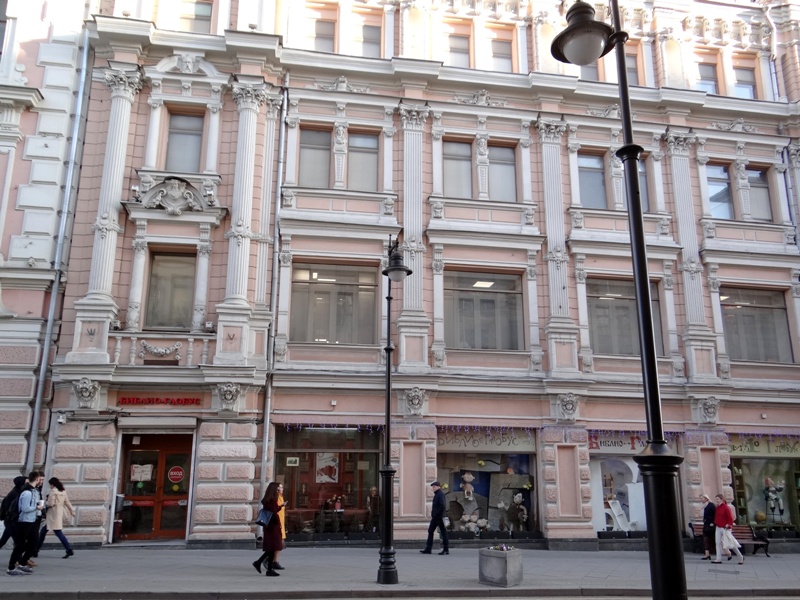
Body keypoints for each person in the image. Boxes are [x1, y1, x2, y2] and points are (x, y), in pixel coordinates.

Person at [7, 471, 44, 576]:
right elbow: (25, 508)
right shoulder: (27, 493)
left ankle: (23, 563)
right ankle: (11, 568)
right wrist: (37, 507)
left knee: (33, 542)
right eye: (40, 479)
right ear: (36, 479)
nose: (41, 481)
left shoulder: (35, 491)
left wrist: (40, 510)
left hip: (32, 520)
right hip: (24, 521)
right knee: (20, 545)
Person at [252, 482, 285, 577]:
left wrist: (280, 506)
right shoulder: (271, 500)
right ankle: (261, 564)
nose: (279, 490)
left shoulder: (268, 500)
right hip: (273, 528)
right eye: (278, 489)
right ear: (274, 490)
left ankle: (266, 567)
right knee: (274, 547)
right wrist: (278, 522)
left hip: (270, 527)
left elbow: (272, 511)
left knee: (272, 548)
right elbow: (273, 514)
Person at [37, 477, 75, 558]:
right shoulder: (63, 491)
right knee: (44, 531)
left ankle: (69, 549)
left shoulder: (53, 491)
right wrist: (72, 510)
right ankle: (36, 550)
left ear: (52, 484)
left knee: (57, 532)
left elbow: (51, 504)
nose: (50, 486)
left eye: (50, 485)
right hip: (59, 513)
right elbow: (67, 502)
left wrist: (45, 503)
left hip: (52, 514)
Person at [712, 493, 743, 565]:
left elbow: (731, 518)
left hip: (725, 528)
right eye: (716, 499)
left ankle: (740, 556)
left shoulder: (726, 507)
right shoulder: (718, 507)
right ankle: (718, 558)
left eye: (718, 499)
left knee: (731, 543)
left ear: (722, 499)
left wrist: (728, 524)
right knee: (718, 543)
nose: (716, 500)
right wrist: (715, 522)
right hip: (718, 527)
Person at [420, 481, 449, 556]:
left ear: (438, 487)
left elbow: (442, 506)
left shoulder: (440, 494)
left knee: (443, 532)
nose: (433, 488)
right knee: (430, 531)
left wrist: (437, 514)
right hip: (436, 517)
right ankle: (428, 548)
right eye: (433, 487)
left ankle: (446, 549)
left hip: (440, 517)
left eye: (434, 487)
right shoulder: (437, 494)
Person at [0, 476, 26, 550]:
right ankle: (19, 556)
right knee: (18, 541)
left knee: (3, 540)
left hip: (11, 520)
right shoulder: (14, 494)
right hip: (11, 520)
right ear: (21, 483)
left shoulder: (18, 492)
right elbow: (10, 508)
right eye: (25, 482)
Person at [271, 483, 287, 570]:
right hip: (276, 523)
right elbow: (275, 509)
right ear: (276, 489)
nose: (282, 489)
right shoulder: (275, 497)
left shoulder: (280, 497)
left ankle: (275, 561)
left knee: (279, 544)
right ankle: (273, 561)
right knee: (278, 544)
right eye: (280, 487)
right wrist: (281, 506)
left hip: (280, 523)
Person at [699, 494, 715, 560]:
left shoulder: (711, 505)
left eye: (702, 498)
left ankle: (726, 553)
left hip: (711, 525)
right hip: (706, 525)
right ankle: (707, 554)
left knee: (711, 539)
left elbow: (715, 514)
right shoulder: (703, 506)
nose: (701, 500)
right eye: (700, 498)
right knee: (705, 539)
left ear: (706, 498)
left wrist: (713, 523)